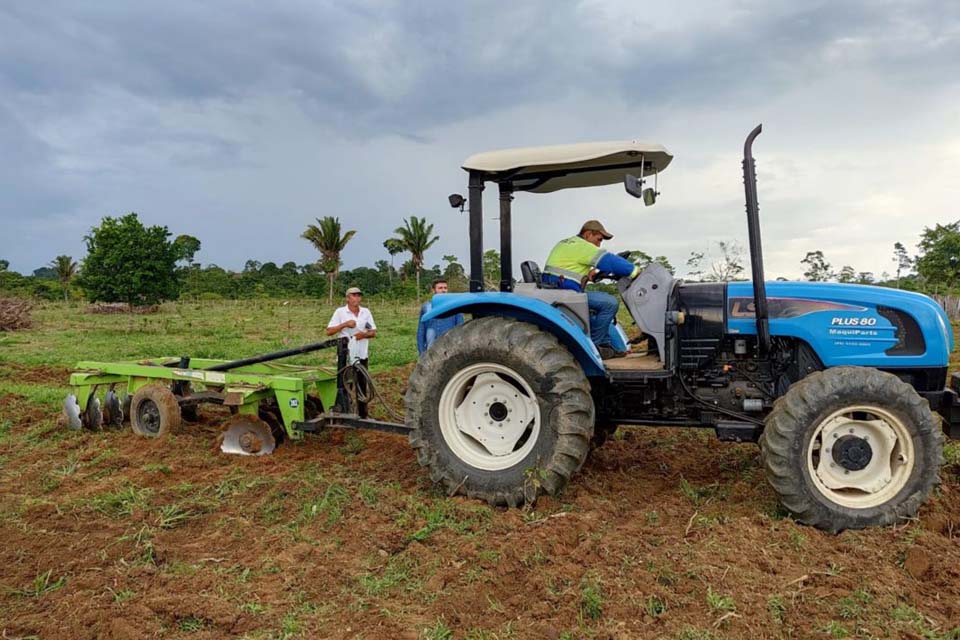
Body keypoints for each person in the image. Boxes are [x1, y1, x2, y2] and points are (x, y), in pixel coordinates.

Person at [542, 220, 639, 358]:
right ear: (588, 234)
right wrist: (636, 272)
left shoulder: (568, 243)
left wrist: (590, 274)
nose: (599, 244)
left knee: (602, 304)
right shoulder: (582, 246)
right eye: (598, 239)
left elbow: (569, 266)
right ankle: (594, 347)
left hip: (560, 288)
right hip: (565, 293)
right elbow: (609, 260)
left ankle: (606, 346)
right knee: (610, 303)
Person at [326, 286, 377, 418]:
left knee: (362, 384)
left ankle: (363, 415)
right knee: (345, 384)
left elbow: (373, 332)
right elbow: (329, 331)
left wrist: (363, 335)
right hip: (346, 355)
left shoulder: (365, 312)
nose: (357, 298)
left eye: (359, 295)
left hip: (361, 354)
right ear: (347, 298)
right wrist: (344, 324)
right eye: (354, 295)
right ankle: (345, 412)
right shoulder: (340, 312)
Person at [417, 278, 464, 354]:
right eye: (440, 288)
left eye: (445, 288)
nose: (443, 290)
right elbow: (421, 330)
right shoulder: (426, 306)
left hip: (449, 346)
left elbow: (460, 327)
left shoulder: (455, 306)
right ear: (433, 290)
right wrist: (421, 352)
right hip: (431, 348)